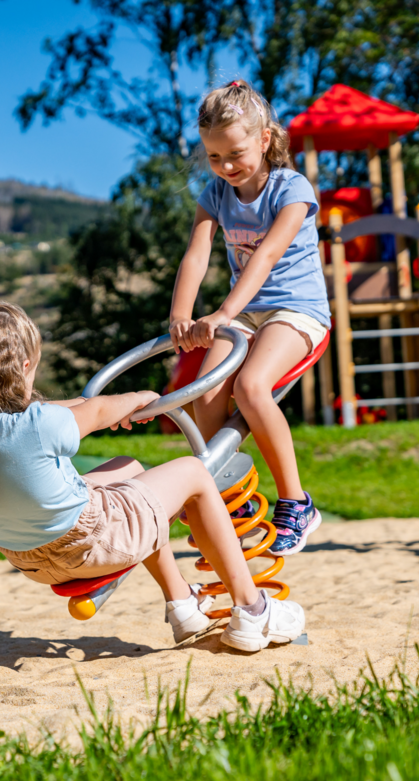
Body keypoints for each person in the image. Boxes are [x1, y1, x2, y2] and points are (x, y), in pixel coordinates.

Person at [0, 291, 304, 653]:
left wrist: (96, 405)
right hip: (89, 546)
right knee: (192, 473)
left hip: (29, 559)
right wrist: (141, 399)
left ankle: (183, 603)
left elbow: (71, 409)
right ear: (25, 366)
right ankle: (252, 610)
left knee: (128, 469)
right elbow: (95, 412)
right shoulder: (40, 424)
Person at [169, 79, 331, 556]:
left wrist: (221, 312)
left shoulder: (292, 188)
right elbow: (196, 256)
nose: (226, 167)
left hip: (295, 310)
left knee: (251, 388)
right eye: (214, 158)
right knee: (206, 394)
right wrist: (181, 314)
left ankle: (297, 502)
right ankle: (234, 500)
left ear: (264, 139)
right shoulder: (216, 194)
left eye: (235, 153)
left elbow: (265, 257)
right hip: (247, 313)